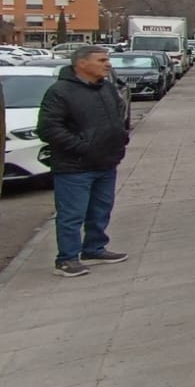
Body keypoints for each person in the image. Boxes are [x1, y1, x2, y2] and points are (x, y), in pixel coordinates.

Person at [37, 45, 131, 278]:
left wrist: (121, 139)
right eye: (101, 60)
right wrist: (82, 147)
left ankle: (94, 248)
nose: (107, 64)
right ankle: (67, 259)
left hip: (106, 162)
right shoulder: (60, 91)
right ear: (81, 64)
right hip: (74, 167)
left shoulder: (106, 88)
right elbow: (48, 128)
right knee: (72, 214)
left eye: (106, 60)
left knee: (101, 209)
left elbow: (119, 117)